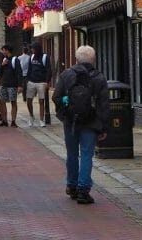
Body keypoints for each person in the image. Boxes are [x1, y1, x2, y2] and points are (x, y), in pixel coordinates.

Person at [53, 45, 110, 205]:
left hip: (71, 121)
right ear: (93, 59)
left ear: (76, 59)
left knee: (72, 154)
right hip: (91, 122)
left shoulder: (66, 75)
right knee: (86, 155)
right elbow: (104, 104)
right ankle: (83, 190)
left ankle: (71, 185)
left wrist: (64, 114)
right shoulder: (99, 77)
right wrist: (103, 126)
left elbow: (56, 97)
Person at [24, 42, 52, 128]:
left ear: (37, 49)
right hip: (31, 81)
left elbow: (48, 70)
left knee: (41, 101)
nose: (31, 50)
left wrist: (47, 81)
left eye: (33, 48)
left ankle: (41, 120)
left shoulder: (44, 57)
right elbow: (29, 68)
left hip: (41, 82)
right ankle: (31, 116)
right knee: (29, 100)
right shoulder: (32, 57)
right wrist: (27, 79)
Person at [0, 45, 20, 127]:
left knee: (13, 102)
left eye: (3, 50)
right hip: (3, 84)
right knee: (2, 102)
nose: (3, 52)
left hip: (12, 85)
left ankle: (13, 121)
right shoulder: (3, 60)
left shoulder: (15, 60)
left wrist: (20, 85)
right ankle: (4, 120)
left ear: (7, 51)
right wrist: (2, 65)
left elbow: (19, 73)